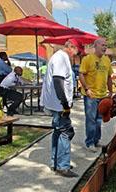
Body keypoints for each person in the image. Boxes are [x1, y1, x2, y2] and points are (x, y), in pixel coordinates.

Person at [41, 39, 79, 177]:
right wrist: (65, 105)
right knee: (66, 132)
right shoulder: (61, 58)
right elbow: (58, 81)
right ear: (70, 47)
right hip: (59, 105)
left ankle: (55, 163)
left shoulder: (59, 57)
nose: (76, 55)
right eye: (76, 51)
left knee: (58, 131)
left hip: (56, 104)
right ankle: (63, 166)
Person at [79, 38, 113, 152]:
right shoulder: (87, 59)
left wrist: (111, 91)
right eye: (103, 45)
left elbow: (109, 77)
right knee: (91, 119)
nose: (105, 47)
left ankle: (96, 140)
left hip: (103, 95)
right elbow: (81, 74)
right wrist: (87, 89)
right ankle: (89, 142)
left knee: (99, 119)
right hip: (91, 95)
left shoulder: (107, 60)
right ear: (96, 46)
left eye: (106, 45)